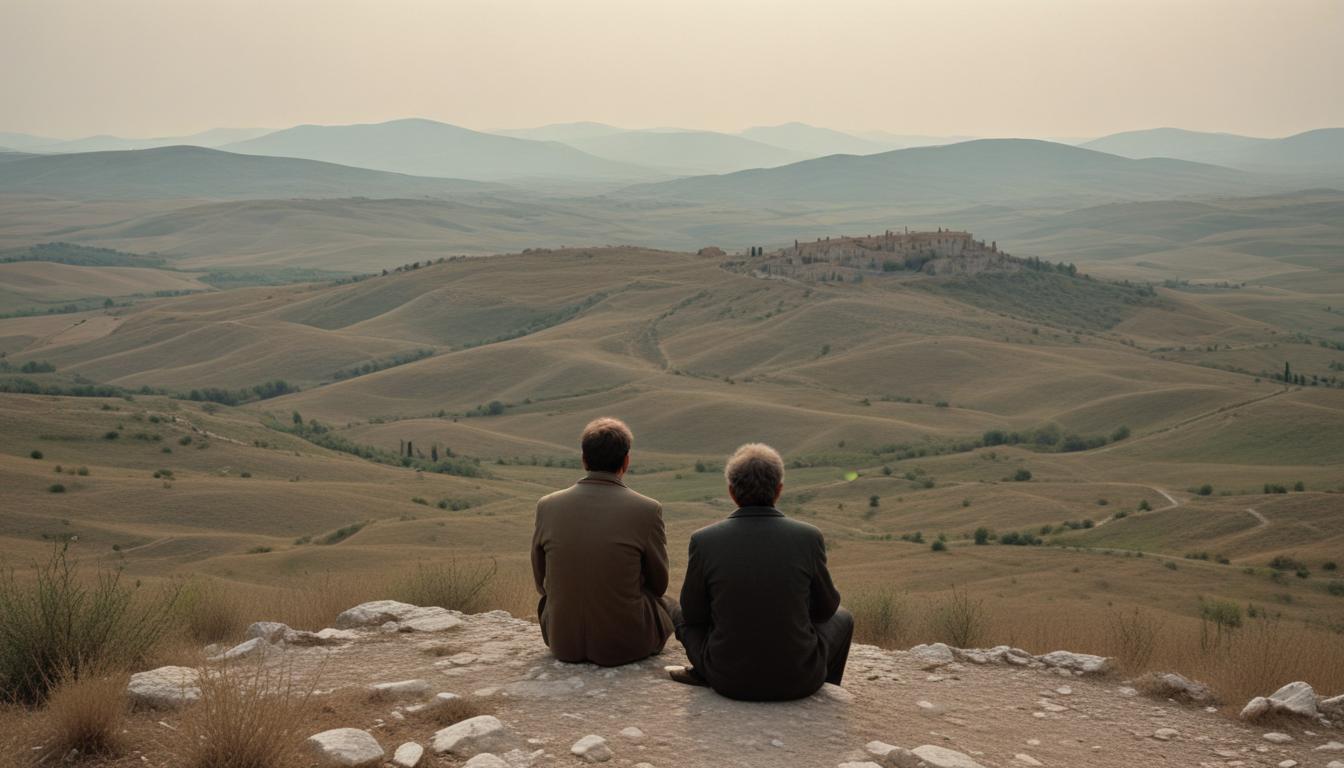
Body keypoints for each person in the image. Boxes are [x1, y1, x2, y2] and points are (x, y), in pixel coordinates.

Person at [671, 442, 853, 701]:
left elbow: (693, 615)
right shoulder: (808, 537)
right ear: (779, 490)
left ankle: (702, 671)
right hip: (800, 681)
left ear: (731, 491)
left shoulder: (704, 540)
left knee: (679, 615)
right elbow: (826, 609)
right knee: (844, 618)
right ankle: (825, 691)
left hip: (727, 679)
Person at [531, 417, 674, 666]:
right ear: (626, 461)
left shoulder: (547, 505)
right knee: (671, 606)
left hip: (562, 642)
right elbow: (659, 584)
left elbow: (541, 584)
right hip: (624, 647)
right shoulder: (647, 509)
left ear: (584, 459)